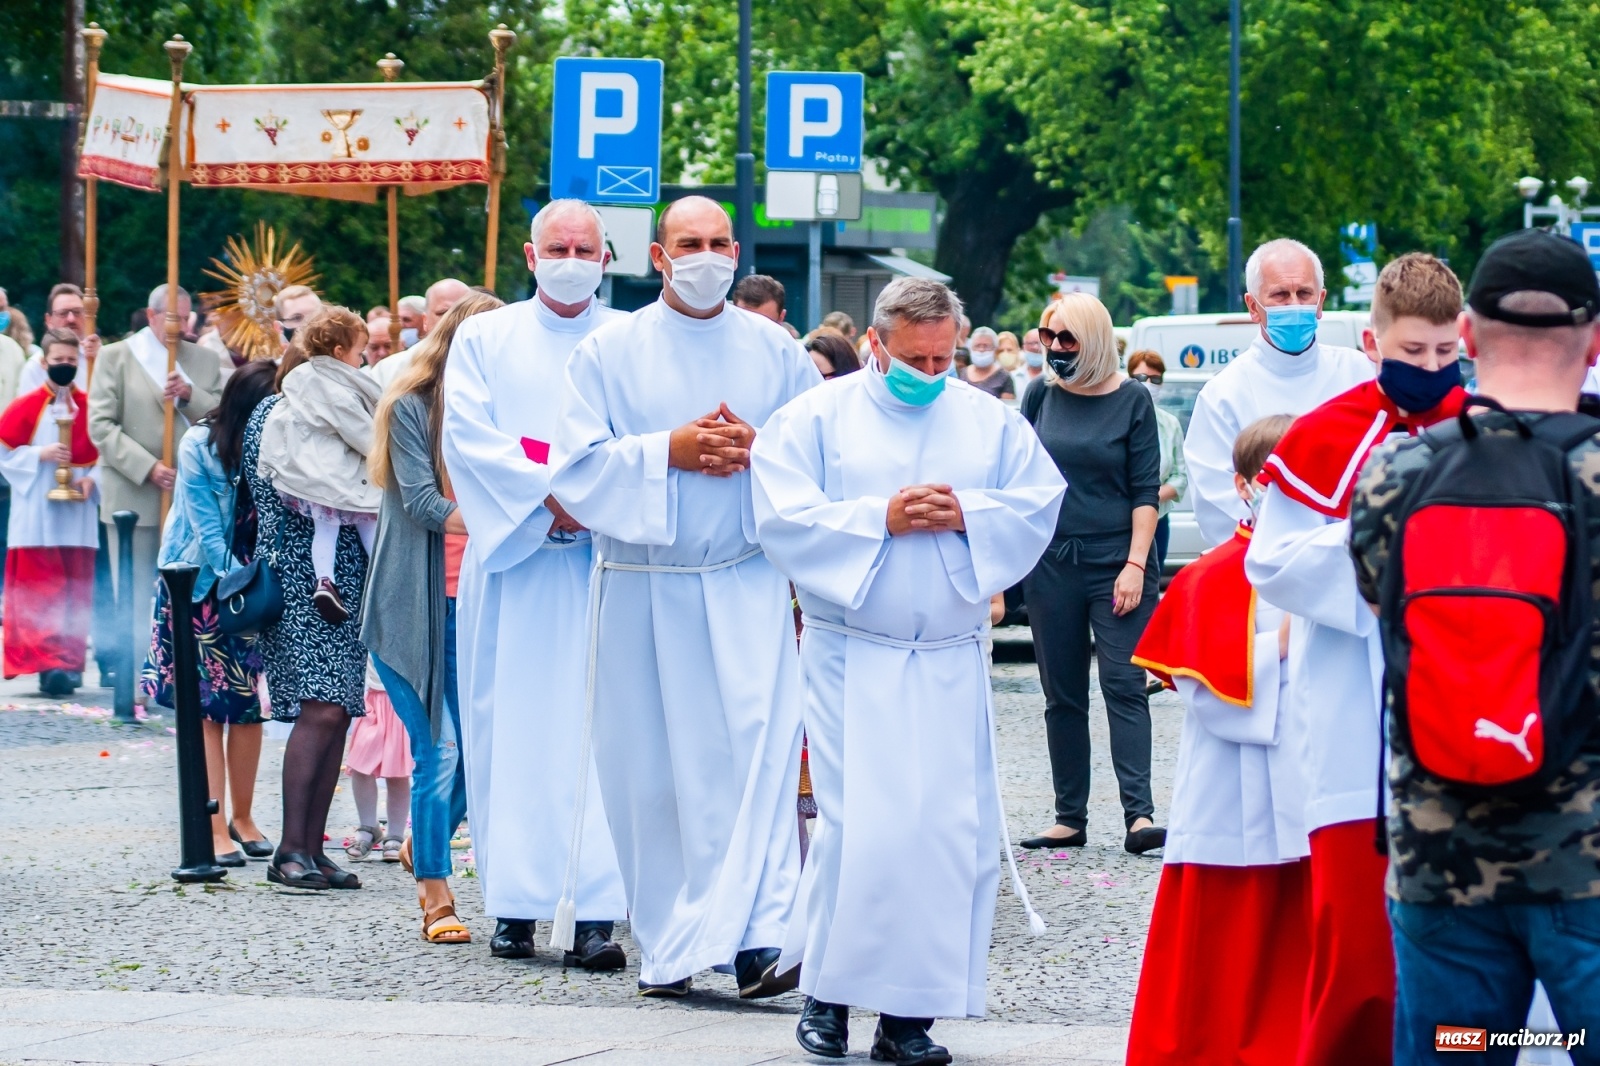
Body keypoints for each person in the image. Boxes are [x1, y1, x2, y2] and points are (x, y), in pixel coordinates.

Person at [752, 277, 1065, 1064]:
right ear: (876, 345)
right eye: (914, 357)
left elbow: (1036, 502)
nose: (930, 372)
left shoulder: (988, 420)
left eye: (944, 357)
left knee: (943, 835)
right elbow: (781, 517)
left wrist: (969, 513)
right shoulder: (815, 419)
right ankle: (828, 995)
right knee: (865, 830)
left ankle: (909, 1016)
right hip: (854, 652)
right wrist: (876, 519)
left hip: (950, 659)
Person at [551, 194, 820, 997]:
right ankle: (671, 947)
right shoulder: (609, 350)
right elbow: (572, 471)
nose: (704, 256)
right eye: (686, 243)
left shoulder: (776, 351)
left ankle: (759, 938)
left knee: (755, 765)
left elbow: (820, 458)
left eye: (717, 243)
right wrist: (665, 451)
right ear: (659, 257)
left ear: (736, 252)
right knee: (653, 777)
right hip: (644, 587)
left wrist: (761, 449)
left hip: (743, 581)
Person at [1350, 230, 1600, 1064]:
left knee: (1462, 1052)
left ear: (1472, 334)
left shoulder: (1395, 475)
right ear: (1593, 339)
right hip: (1588, 869)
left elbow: (1375, 595)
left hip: (1440, 861)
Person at [1247, 253, 1470, 1066]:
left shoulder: (1489, 427)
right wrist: (1383, 552)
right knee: (1361, 959)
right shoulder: (1326, 434)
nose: (1432, 371)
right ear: (1374, 345)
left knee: (1472, 957)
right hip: (1356, 722)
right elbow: (1270, 560)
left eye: (1446, 354)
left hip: (1469, 717)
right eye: (1413, 354)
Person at [443, 201, 631, 966]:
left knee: (598, 735)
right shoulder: (485, 337)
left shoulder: (628, 341)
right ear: (529, 255)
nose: (571, 257)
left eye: (584, 247)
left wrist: (587, 504)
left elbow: (641, 442)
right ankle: (515, 905)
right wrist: (546, 500)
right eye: (558, 245)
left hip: (600, 567)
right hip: (515, 568)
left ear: (606, 258)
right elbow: (468, 435)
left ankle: (596, 913)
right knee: (508, 732)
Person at [1126, 414, 1311, 1065]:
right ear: (1244, 485)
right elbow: (1204, 693)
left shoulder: (1332, 564)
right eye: (1275, 478)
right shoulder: (1211, 576)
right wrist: (1281, 651)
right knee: (1226, 943)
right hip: (1231, 787)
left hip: (1312, 782)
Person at [363, 290, 506, 944]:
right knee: (439, 752)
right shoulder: (412, 405)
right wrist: (519, 519)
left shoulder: (504, 407)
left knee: (485, 755)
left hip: (485, 598)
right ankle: (436, 897)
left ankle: (424, 841)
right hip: (419, 606)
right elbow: (421, 501)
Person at [1018, 293, 1166, 854]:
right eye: (1047, 336)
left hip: (1116, 561)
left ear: (1095, 339)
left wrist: (1134, 564)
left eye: (1067, 338)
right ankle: (1069, 816)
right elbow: (1020, 476)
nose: (1054, 348)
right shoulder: (1039, 395)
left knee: (1125, 683)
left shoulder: (1132, 400)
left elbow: (1144, 491)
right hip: (1051, 562)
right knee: (1062, 691)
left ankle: (1139, 816)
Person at [244, 341, 373, 893]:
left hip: (346, 576)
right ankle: (289, 849)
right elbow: (277, 486)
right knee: (318, 709)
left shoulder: (327, 414)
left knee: (340, 710)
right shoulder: (274, 415)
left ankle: (314, 847)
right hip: (301, 576)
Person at [141, 360, 276, 866]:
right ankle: (213, 823)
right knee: (205, 712)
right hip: (198, 587)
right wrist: (244, 589)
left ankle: (244, 816)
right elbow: (207, 531)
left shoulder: (275, 443)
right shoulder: (200, 444)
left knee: (245, 708)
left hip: (249, 589)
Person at [1184, 239, 1371, 546]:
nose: (1295, 305)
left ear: (1321, 301)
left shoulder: (1361, 374)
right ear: (1253, 307)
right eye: (1281, 295)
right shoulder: (1223, 395)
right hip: (1263, 569)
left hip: (1356, 565)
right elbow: (1216, 500)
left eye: (1305, 293)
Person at [88, 285, 223, 662]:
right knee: (132, 594)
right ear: (151, 316)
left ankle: (185, 680)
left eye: (185, 317)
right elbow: (100, 426)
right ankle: (131, 681)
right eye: (171, 317)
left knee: (190, 593)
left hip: (191, 496)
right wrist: (148, 468)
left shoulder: (205, 360)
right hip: (134, 496)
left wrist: (189, 394)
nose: (179, 326)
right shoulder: (116, 357)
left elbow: (220, 418)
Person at [257, 307, 380, 626]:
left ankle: (325, 580)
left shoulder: (298, 380)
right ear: (339, 352)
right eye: (359, 352)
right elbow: (363, 436)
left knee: (325, 530)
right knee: (371, 520)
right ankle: (383, 577)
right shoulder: (337, 390)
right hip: (339, 474)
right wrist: (386, 454)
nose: (363, 360)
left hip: (310, 476)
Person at [0, 330, 98, 696]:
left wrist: (93, 480)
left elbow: (102, 452)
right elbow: (4, 454)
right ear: (44, 362)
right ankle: (44, 663)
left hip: (77, 512)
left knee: (74, 586)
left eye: (71, 362)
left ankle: (68, 661)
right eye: (58, 361)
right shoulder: (25, 406)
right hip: (36, 510)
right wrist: (38, 455)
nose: (64, 367)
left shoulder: (90, 406)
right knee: (40, 587)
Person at [342, 661, 413, 864]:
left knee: (397, 770)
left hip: (402, 698)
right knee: (361, 764)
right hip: (373, 698)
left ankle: (395, 834)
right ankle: (368, 826)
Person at [1125, 351, 1187, 571]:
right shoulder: (1116, 419)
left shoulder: (1170, 424)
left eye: (1156, 379)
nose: (1149, 384)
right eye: (1141, 378)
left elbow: (1181, 476)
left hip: (1158, 519)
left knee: (1151, 581)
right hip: (1121, 522)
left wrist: (1151, 496)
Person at [372, 279, 471, 389]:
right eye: (443, 313)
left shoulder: (485, 365)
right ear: (425, 320)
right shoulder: (388, 370)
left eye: (464, 313)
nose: (453, 321)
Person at [964, 326, 1015, 401]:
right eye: (977, 346)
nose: (981, 350)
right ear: (970, 348)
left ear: (995, 348)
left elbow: (1007, 407)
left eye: (986, 346)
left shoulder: (1004, 377)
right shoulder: (961, 373)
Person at [1013, 328, 1046, 396]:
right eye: (1031, 343)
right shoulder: (1013, 377)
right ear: (1023, 347)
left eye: (1040, 343)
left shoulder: (1054, 377)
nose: (1035, 347)